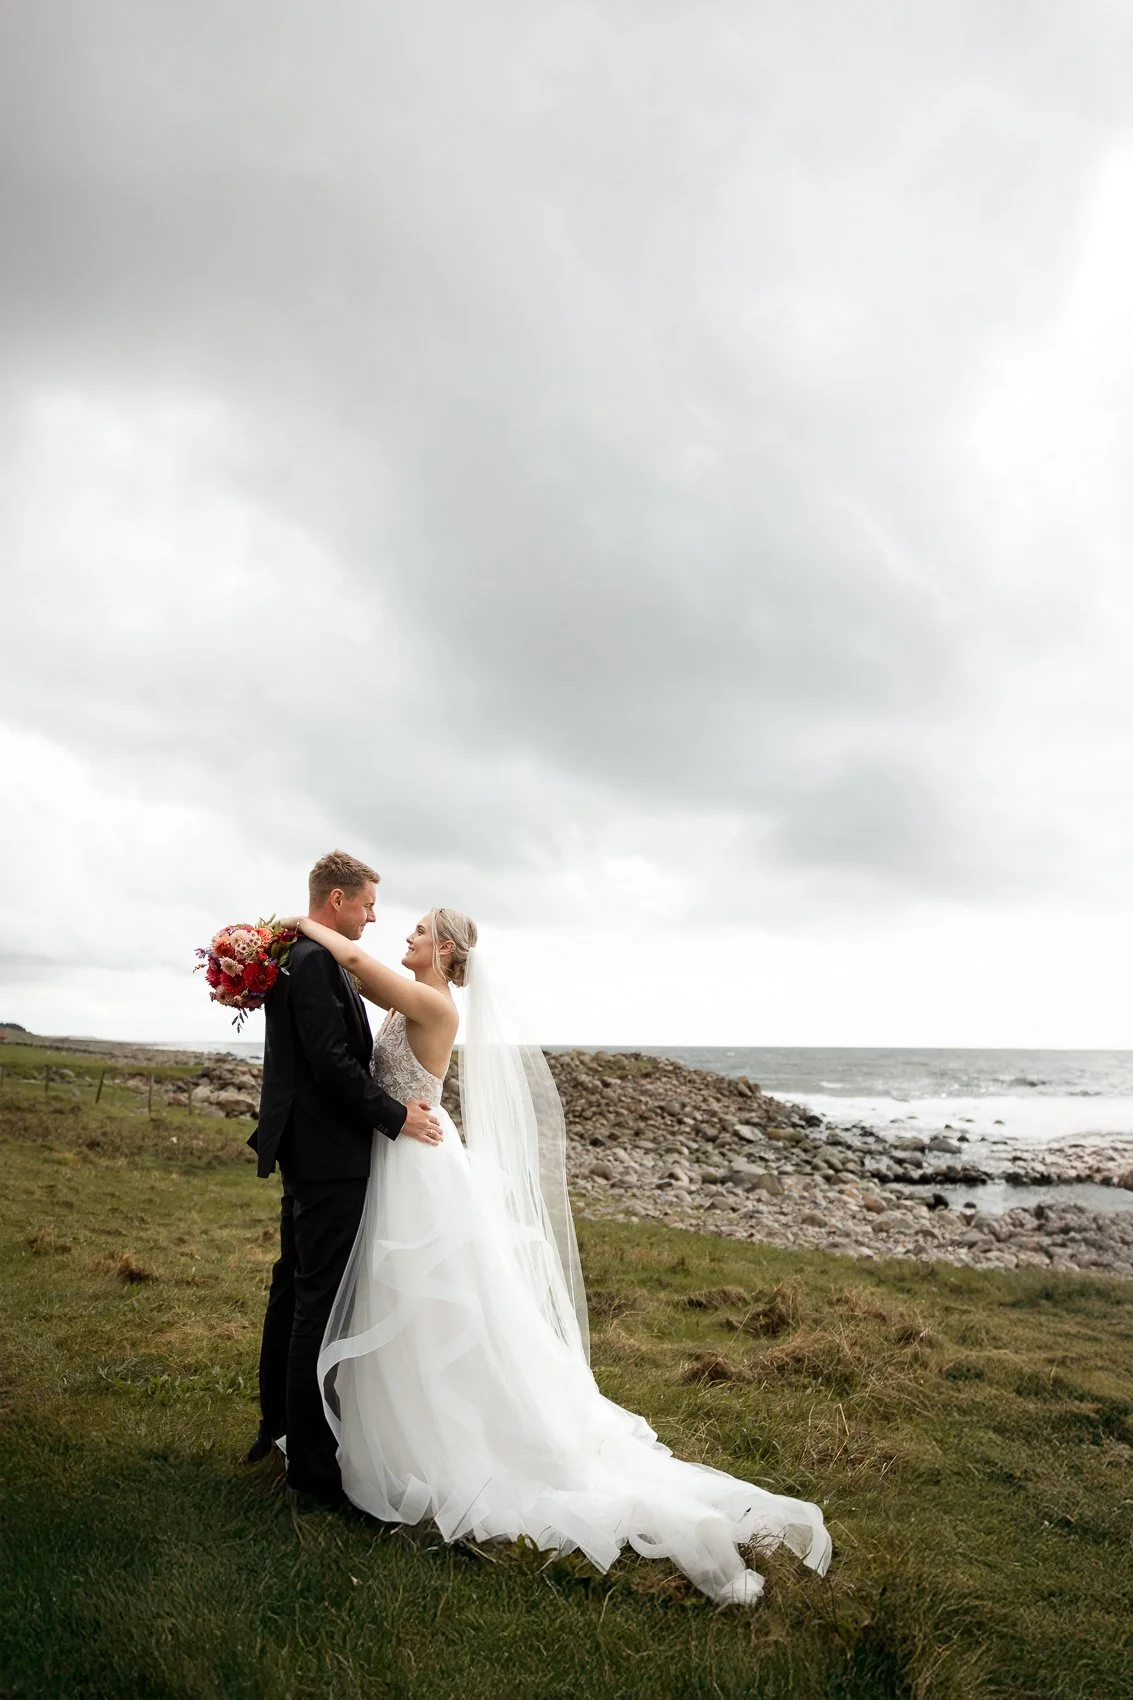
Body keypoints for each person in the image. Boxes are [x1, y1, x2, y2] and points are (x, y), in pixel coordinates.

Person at [282, 901, 832, 1606]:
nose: (406, 935)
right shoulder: (409, 998)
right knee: (406, 1305)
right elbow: (349, 983)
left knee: (429, 1304)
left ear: (445, 949)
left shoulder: (431, 1003)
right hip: (401, 1154)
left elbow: (355, 963)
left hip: (418, 1169)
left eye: (419, 930)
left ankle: (446, 1438)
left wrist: (296, 926)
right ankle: (386, 1425)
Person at [246, 850, 442, 1505]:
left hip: (315, 1152)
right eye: (365, 905)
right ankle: (309, 1469)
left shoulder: (307, 957)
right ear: (336, 903)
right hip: (329, 1158)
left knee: (291, 1293)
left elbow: (339, 1036)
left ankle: (278, 1426)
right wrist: (395, 1116)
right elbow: (332, 1063)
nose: (375, 917)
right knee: (314, 1307)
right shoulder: (312, 961)